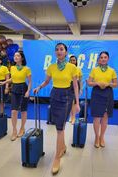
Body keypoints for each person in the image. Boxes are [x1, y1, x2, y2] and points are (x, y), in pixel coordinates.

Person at [33, 43, 80, 175]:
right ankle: (63, 147)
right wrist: (39, 87)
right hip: (54, 96)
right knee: (60, 126)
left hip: (66, 97)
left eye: (61, 49)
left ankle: (57, 158)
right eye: (57, 50)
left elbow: (75, 86)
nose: (59, 51)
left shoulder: (72, 67)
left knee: (59, 128)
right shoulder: (51, 67)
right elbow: (47, 81)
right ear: (55, 52)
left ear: (66, 52)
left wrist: (77, 103)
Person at [87, 51, 118, 148]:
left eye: (105, 57)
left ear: (108, 59)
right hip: (96, 93)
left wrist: (108, 84)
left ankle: (102, 137)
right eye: (101, 57)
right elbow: (89, 83)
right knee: (96, 117)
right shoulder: (94, 70)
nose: (103, 59)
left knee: (105, 117)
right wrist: (97, 83)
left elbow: (116, 84)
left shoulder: (112, 70)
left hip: (108, 93)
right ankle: (96, 137)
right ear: (99, 59)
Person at [0, 51, 32, 141]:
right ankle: (14, 130)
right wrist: (4, 82)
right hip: (14, 89)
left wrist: (28, 91)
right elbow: (12, 78)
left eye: (18, 55)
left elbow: (29, 82)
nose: (15, 57)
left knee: (23, 110)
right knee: (14, 111)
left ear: (22, 58)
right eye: (14, 55)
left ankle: (22, 128)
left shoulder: (27, 69)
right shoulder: (12, 68)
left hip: (23, 89)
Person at [69, 55, 83, 124]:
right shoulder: (67, 69)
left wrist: (81, 89)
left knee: (74, 102)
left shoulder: (78, 69)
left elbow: (80, 80)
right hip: (68, 85)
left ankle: (73, 117)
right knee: (70, 102)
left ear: (76, 61)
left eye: (74, 60)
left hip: (76, 86)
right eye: (71, 60)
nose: (72, 61)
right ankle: (71, 116)